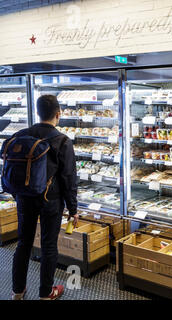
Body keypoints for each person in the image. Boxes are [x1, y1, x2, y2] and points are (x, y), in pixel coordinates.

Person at [10, 95, 78, 300]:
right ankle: (46, 292)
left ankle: (17, 291)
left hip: (24, 197)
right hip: (51, 200)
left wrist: (17, 195)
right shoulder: (62, 141)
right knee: (49, 245)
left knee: (23, 243)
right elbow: (68, 178)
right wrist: (73, 209)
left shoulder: (20, 135)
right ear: (58, 114)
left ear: (38, 112)